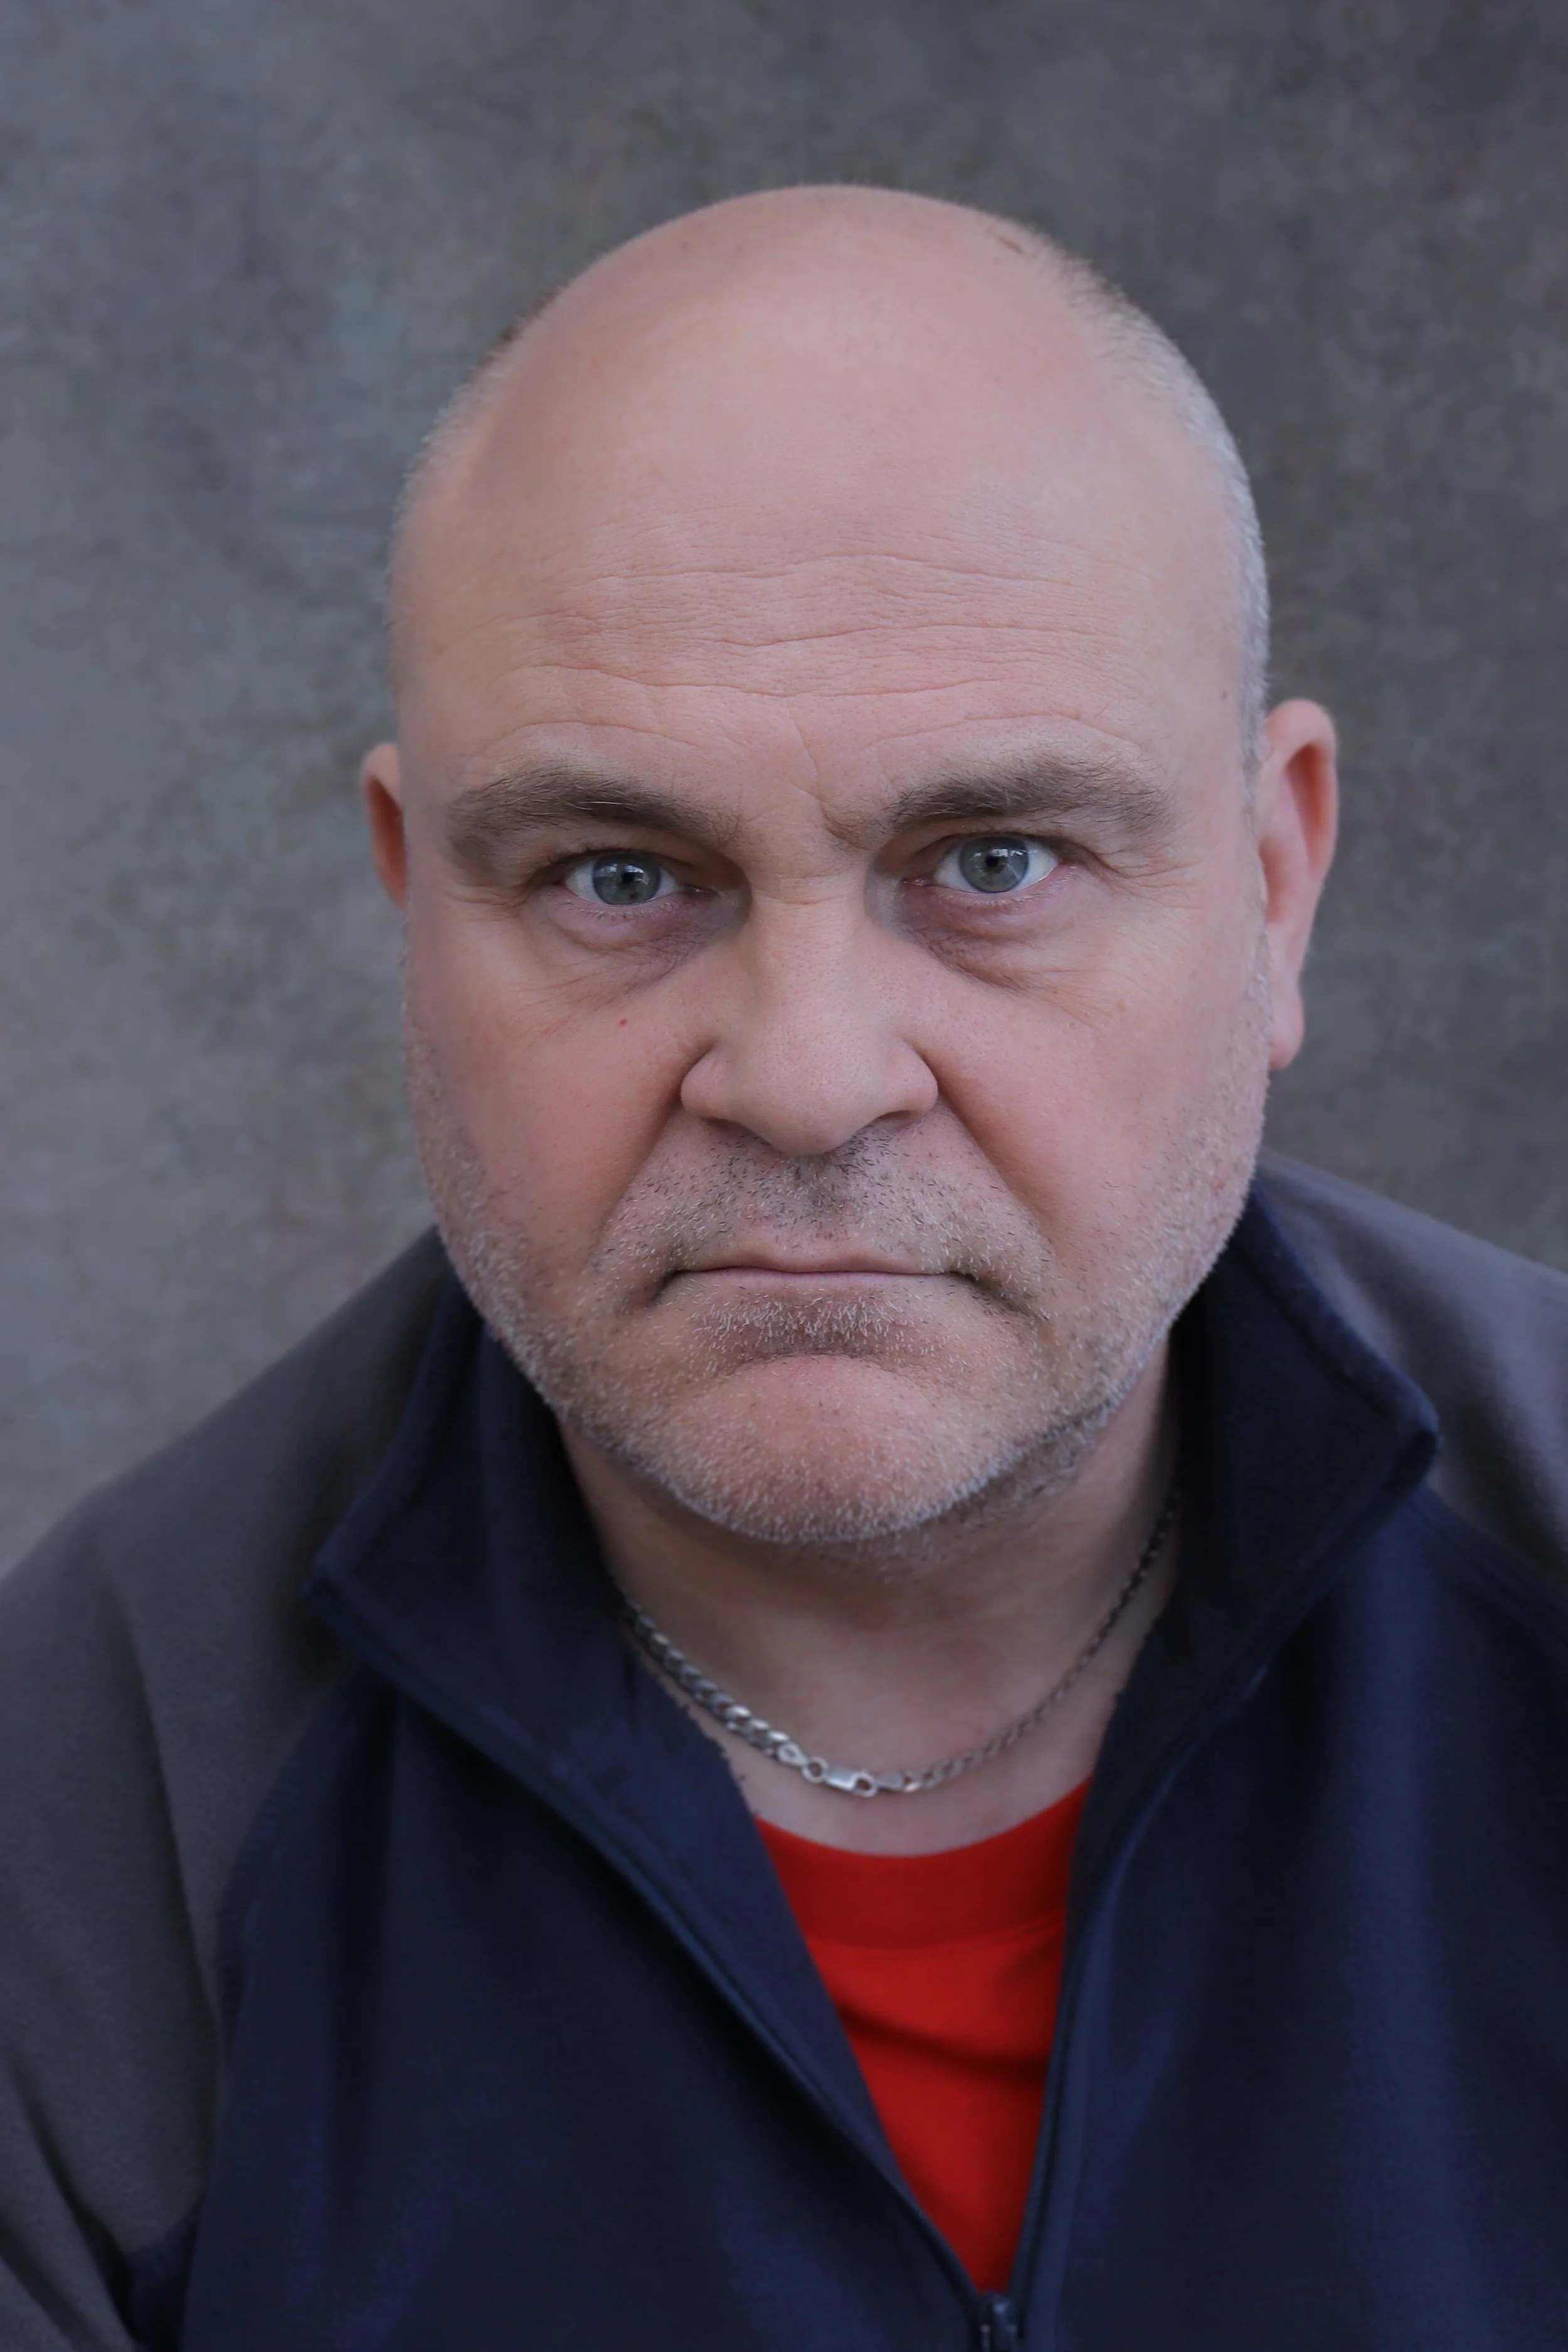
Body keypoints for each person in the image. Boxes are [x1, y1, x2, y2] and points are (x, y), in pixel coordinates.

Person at [3, 186, 1566, 2352]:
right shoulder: (81, 1812)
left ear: (1275, 884)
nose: (809, 1077)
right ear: (409, 908)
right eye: (620, 874)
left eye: (993, 860)